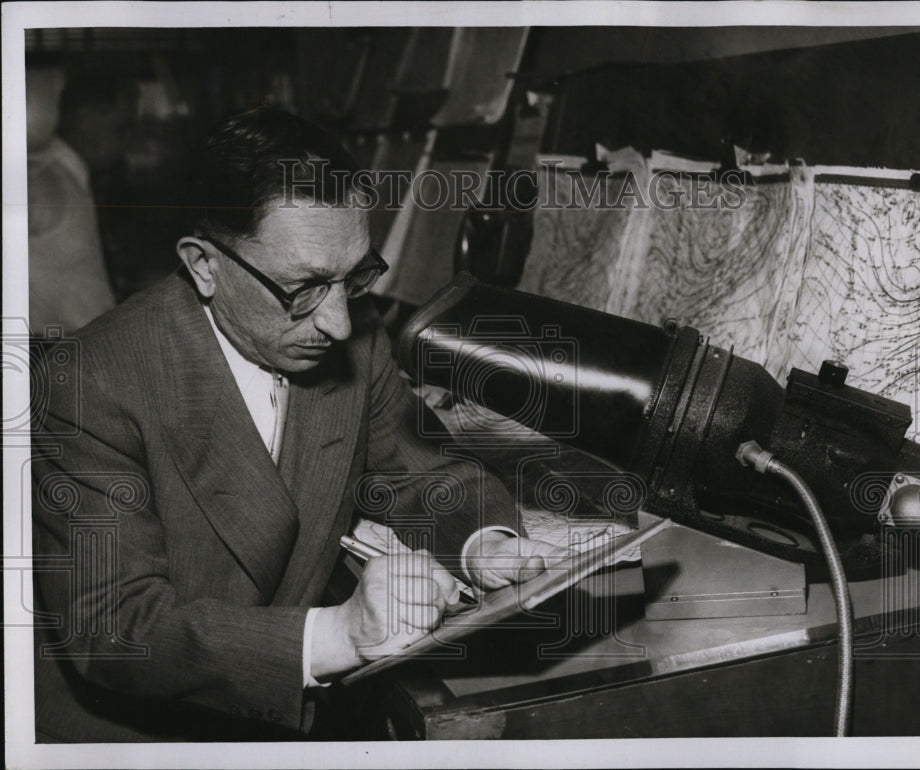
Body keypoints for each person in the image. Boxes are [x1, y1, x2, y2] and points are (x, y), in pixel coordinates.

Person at [31, 105, 565, 742]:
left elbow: (421, 471)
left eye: (355, 277)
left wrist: (486, 548)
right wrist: (337, 634)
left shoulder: (355, 339)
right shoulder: (87, 383)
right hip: (144, 734)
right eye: (304, 287)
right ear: (205, 265)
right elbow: (119, 627)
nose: (339, 322)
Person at [26, 63, 116, 334]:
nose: (127, 141)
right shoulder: (43, 180)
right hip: (54, 353)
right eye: (122, 127)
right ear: (85, 118)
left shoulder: (68, 175)